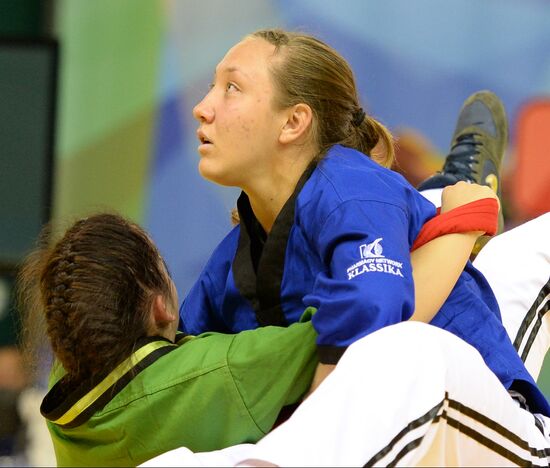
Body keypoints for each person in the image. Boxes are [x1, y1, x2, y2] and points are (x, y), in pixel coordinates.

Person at [182, 28, 549, 415]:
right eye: (212, 85)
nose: (202, 107)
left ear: (293, 122)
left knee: (525, 255)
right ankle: (447, 195)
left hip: (479, 412)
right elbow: (174, 366)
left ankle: (459, 196)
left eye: (232, 88)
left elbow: (373, 327)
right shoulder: (236, 253)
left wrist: (462, 224)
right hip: (393, 418)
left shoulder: (348, 187)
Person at [19, 210, 550, 467]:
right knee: (414, 340)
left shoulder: (70, 399)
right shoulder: (221, 372)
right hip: (490, 423)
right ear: (160, 306)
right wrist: (463, 219)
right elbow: (376, 313)